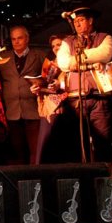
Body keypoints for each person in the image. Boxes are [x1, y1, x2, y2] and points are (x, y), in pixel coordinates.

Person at [56, 6, 112, 162]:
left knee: (103, 140)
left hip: (99, 98)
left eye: (81, 20)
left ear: (90, 21)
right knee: (77, 142)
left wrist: (76, 61)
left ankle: (103, 174)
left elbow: (104, 54)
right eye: (75, 21)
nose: (77, 24)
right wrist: (92, 63)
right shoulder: (68, 41)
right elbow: (62, 62)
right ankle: (81, 174)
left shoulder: (105, 38)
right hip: (76, 100)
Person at [0, 25, 45, 164]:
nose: (16, 42)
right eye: (13, 39)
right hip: (12, 110)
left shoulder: (39, 55)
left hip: (33, 109)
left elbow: (48, 77)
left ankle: (35, 173)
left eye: (20, 38)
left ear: (27, 38)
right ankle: (21, 174)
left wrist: (41, 85)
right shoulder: (3, 58)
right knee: (17, 150)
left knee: (35, 149)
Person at [30, 35, 67, 164]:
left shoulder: (71, 62)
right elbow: (45, 84)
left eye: (59, 44)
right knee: (45, 142)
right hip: (49, 107)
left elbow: (73, 83)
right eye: (53, 46)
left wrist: (60, 85)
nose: (56, 48)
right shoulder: (51, 64)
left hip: (66, 107)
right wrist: (37, 88)